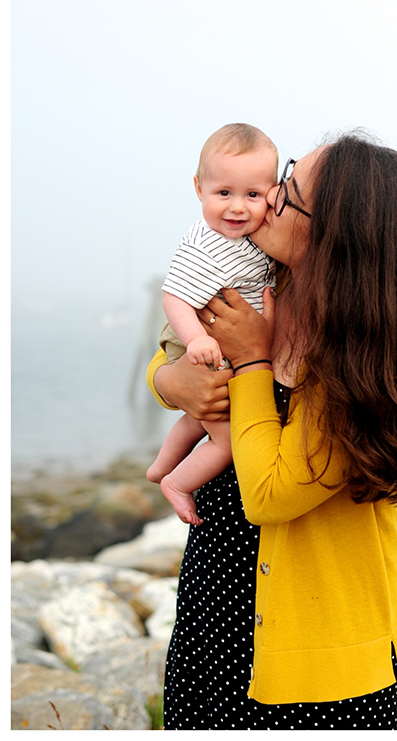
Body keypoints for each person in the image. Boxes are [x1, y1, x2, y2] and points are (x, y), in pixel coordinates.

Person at [146, 132, 397, 728]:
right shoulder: (269, 289)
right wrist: (173, 384)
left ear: (334, 235)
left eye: (290, 192)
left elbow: (271, 494)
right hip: (218, 604)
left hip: (322, 656)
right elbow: (173, 353)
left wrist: (253, 362)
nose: (270, 198)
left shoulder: (360, 364)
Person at [146, 123, 278, 526]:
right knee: (223, 441)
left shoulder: (254, 238)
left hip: (218, 339)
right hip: (194, 339)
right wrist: (196, 338)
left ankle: (160, 466)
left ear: (272, 195)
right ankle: (178, 483)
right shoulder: (206, 244)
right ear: (199, 189)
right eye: (224, 193)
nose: (238, 207)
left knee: (196, 416)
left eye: (253, 195)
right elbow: (175, 297)